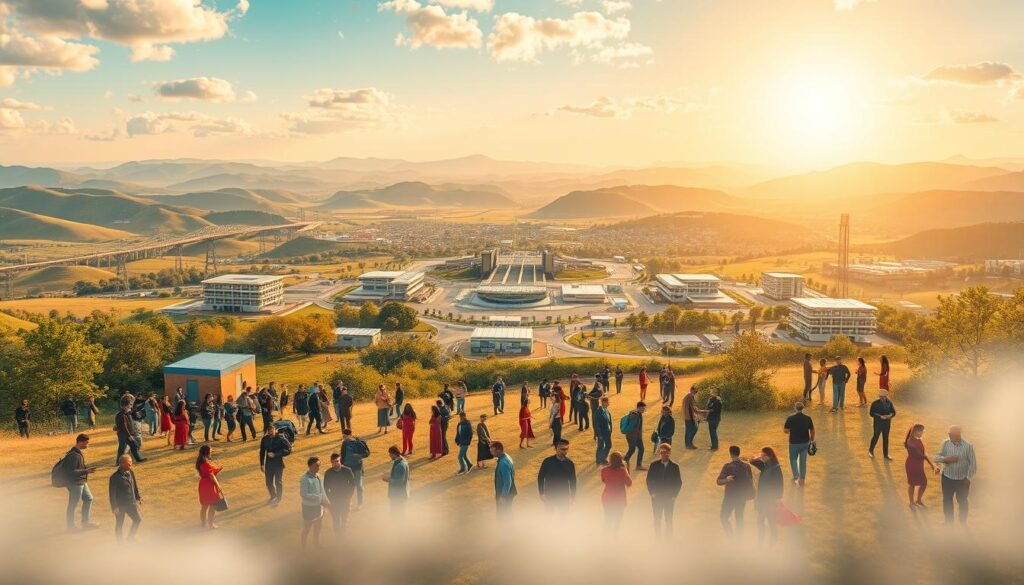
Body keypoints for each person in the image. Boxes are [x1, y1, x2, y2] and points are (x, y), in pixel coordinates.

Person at [935, 425, 977, 525]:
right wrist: (945, 459)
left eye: (951, 434)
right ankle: (948, 521)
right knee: (947, 500)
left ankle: (963, 521)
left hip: (962, 480)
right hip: (947, 478)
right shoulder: (945, 443)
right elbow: (937, 457)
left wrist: (967, 477)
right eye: (948, 433)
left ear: (958, 435)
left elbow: (973, 464)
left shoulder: (968, 446)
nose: (948, 435)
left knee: (962, 501)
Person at [60, 433, 98, 531]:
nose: (87, 445)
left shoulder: (77, 452)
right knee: (73, 504)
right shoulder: (73, 455)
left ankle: (85, 523)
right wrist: (86, 471)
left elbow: (78, 467)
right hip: (75, 483)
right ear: (80, 442)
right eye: (86, 442)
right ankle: (70, 527)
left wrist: (86, 468)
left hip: (81, 482)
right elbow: (70, 471)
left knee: (89, 498)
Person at [716, 445, 754, 538]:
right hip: (742, 497)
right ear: (739, 453)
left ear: (730, 454)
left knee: (724, 517)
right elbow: (750, 481)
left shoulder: (727, 466)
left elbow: (719, 481)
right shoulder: (747, 466)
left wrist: (726, 480)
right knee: (739, 518)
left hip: (730, 497)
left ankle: (731, 537)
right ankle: (739, 539)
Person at [646, 443, 682, 540]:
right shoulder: (654, 465)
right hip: (656, 497)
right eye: (661, 452)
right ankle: (658, 538)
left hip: (669, 498)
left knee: (669, 519)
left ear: (669, 453)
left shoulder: (675, 467)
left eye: (665, 452)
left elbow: (678, 482)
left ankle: (668, 539)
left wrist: (674, 495)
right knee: (657, 519)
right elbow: (649, 480)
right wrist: (652, 493)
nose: (663, 454)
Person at [749, 446, 783, 545]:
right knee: (760, 521)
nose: (762, 457)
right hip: (762, 499)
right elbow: (751, 461)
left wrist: (777, 498)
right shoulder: (765, 466)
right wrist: (759, 456)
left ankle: (773, 540)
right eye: (762, 455)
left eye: (764, 455)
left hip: (770, 500)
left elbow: (779, 483)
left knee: (770, 521)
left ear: (769, 456)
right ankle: (761, 540)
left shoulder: (775, 468)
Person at [108, 454, 142, 541]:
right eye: (129, 463)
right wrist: (114, 507)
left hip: (131, 504)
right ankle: (120, 543)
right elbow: (112, 494)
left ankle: (130, 538)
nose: (131, 465)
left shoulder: (131, 472)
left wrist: (138, 498)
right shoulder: (114, 477)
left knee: (137, 520)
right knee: (119, 524)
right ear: (122, 464)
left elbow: (135, 486)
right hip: (120, 506)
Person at [537, 440, 576, 513]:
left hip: (564, 496)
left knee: (563, 519)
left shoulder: (570, 464)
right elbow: (541, 477)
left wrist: (573, 496)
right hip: (550, 494)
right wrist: (541, 493)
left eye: (566, 449)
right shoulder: (547, 461)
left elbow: (573, 481)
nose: (564, 451)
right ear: (555, 449)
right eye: (562, 449)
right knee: (549, 518)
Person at [600, 451, 633, 537]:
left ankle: (605, 536)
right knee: (617, 520)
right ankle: (615, 536)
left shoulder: (604, 470)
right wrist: (626, 469)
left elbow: (604, 480)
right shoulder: (622, 472)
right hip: (619, 499)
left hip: (607, 498)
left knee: (608, 518)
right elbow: (629, 484)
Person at [904, 424, 935, 510]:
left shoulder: (919, 440)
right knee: (912, 484)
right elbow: (921, 455)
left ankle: (918, 500)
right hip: (912, 465)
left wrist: (932, 464)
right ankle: (911, 503)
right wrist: (932, 463)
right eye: (921, 431)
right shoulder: (910, 442)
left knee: (923, 483)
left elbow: (924, 454)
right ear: (916, 431)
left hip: (919, 465)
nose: (922, 433)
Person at [323, 453, 355, 537]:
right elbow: (325, 488)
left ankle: (343, 534)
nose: (336, 463)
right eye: (334, 462)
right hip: (334, 500)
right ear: (331, 462)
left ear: (340, 460)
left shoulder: (347, 470)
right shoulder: (328, 473)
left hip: (346, 499)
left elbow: (352, 485)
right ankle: (338, 536)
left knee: (344, 518)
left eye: (337, 461)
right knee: (335, 519)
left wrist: (349, 498)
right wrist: (328, 501)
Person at [299, 456, 328, 548]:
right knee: (307, 528)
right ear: (310, 466)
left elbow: (323, 491)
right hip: (309, 508)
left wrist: (326, 502)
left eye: (319, 465)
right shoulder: (304, 478)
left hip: (319, 507)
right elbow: (304, 494)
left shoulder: (320, 477)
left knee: (318, 526)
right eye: (316, 466)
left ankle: (316, 543)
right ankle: (303, 547)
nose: (318, 468)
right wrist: (318, 497)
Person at [259, 424, 292, 505]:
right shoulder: (265, 439)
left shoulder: (281, 438)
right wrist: (262, 464)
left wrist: (276, 454)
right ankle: (273, 495)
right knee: (268, 482)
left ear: (275, 430)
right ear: (267, 432)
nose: (270, 434)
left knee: (278, 482)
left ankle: (279, 498)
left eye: (272, 432)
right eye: (269, 432)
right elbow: (262, 452)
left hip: (278, 464)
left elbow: (288, 450)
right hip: (268, 464)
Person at [784, 402, 815, 486]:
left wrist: (791, 429)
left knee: (793, 460)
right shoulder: (808, 418)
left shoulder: (790, 418)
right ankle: (802, 479)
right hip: (805, 443)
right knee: (803, 462)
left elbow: (786, 431)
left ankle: (796, 476)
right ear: (802, 408)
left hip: (793, 443)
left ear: (795, 408)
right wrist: (812, 440)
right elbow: (812, 430)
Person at [340, 429, 370, 509]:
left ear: (350, 435)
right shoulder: (344, 443)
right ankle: (348, 502)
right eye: (343, 436)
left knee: (359, 486)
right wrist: (341, 465)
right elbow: (342, 455)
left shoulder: (357, 443)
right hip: (347, 468)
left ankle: (360, 503)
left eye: (345, 436)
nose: (344, 438)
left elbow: (367, 453)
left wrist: (358, 455)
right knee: (347, 486)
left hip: (357, 468)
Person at [196, 445, 224, 530]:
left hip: (203, 485)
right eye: (210, 451)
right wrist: (218, 486)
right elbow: (211, 475)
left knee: (204, 506)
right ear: (206, 452)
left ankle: (203, 524)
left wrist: (217, 469)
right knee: (212, 506)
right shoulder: (205, 463)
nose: (211, 452)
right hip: (209, 486)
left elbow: (210, 471)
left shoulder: (200, 461)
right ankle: (210, 524)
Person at [115, 397, 146, 464]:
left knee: (134, 445)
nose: (131, 406)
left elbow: (135, 415)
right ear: (125, 405)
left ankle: (138, 458)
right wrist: (129, 435)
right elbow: (124, 427)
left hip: (128, 434)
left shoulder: (127, 413)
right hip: (123, 434)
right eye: (130, 405)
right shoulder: (122, 415)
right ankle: (118, 462)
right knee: (122, 448)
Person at [868, 389, 897, 460]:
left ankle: (886, 455)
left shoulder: (889, 403)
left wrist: (890, 416)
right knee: (876, 436)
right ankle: (871, 450)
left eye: (884, 397)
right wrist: (879, 416)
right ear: (879, 396)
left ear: (886, 396)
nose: (883, 398)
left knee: (885, 438)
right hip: (878, 423)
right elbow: (871, 413)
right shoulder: (874, 403)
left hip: (887, 423)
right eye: (881, 396)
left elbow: (893, 412)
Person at [382, 446, 409, 519]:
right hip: (399, 493)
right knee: (398, 513)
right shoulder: (401, 461)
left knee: (396, 513)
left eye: (390, 454)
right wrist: (389, 473)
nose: (389, 455)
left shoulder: (400, 465)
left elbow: (399, 481)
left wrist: (388, 479)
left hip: (397, 494)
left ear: (394, 454)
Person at [493, 441, 517, 518]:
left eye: (493, 451)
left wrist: (503, 496)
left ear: (499, 451)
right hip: (509, 491)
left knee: (503, 514)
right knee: (507, 512)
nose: (491, 453)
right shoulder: (506, 456)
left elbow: (507, 481)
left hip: (506, 493)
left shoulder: (503, 463)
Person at [623, 401, 647, 471]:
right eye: (642, 409)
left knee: (641, 449)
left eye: (644, 409)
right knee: (632, 449)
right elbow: (631, 427)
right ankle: (624, 462)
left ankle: (638, 465)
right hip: (632, 436)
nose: (644, 410)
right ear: (638, 408)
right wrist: (633, 436)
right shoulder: (634, 415)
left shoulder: (638, 414)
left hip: (637, 436)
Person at [681, 385, 706, 450]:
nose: (696, 393)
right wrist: (703, 411)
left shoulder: (686, 396)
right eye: (695, 391)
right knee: (694, 429)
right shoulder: (690, 397)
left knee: (688, 431)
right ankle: (690, 444)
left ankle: (688, 444)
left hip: (687, 416)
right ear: (692, 390)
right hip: (690, 417)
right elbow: (693, 409)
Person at [595, 396, 613, 465]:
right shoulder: (598, 411)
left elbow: (609, 421)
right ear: (603, 402)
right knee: (601, 446)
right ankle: (599, 460)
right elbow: (596, 424)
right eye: (608, 402)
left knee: (608, 445)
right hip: (602, 433)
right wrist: (599, 434)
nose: (609, 404)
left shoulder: (606, 410)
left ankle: (603, 458)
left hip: (607, 432)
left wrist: (610, 430)